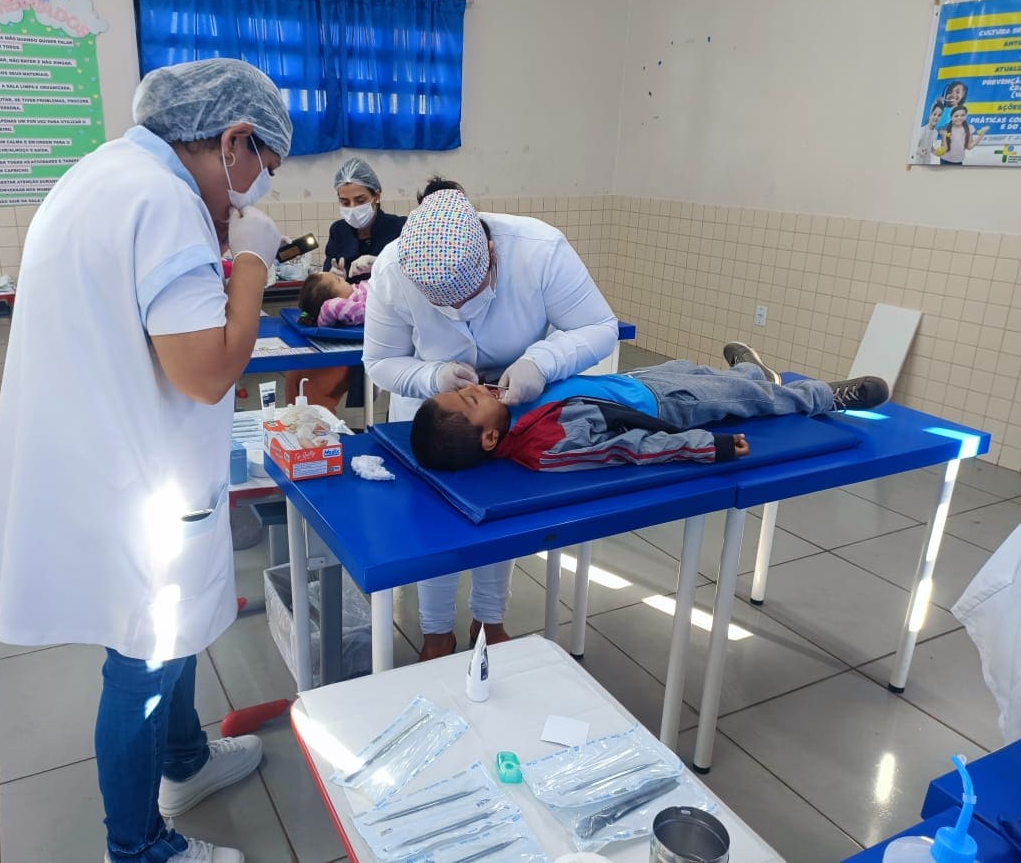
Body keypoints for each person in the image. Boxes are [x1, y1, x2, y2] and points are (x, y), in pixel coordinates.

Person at [0, 58, 293, 863]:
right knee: (146, 653)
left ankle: (184, 759)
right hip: (136, 480)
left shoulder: (102, 174)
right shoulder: (163, 204)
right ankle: (139, 846)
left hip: (103, 459)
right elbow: (206, 369)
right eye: (266, 166)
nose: (259, 189)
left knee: (168, 628)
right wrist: (254, 262)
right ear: (234, 140)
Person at [363, 181, 619, 660]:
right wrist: (432, 375)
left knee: (498, 517)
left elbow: (599, 327)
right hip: (429, 411)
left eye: (472, 298)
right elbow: (379, 362)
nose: (459, 315)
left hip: (511, 406)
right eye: (446, 308)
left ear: (492, 255)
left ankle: (489, 621)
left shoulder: (539, 251)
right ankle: (436, 631)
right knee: (432, 523)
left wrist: (542, 361)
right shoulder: (394, 269)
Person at [411, 342, 890, 471]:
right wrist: (705, 448)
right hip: (666, 409)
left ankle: (750, 371)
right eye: (473, 398)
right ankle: (825, 396)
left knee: (703, 372)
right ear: (489, 438)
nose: (481, 389)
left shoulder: (512, 402)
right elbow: (629, 448)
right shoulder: (545, 447)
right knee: (750, 401)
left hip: (637, 381)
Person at [284, 157, 405, 411]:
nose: (352, 208)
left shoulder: (399, 229)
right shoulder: (339, 231)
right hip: (341, 330)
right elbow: (326, 282)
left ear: (377, 195)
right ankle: (299, 430)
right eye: (344, 202)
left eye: (360, 201)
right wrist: (335, 272)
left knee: (322, 384)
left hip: (380, 327)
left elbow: (414, 277)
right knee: (297, 374)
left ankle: (329, 433)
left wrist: (381, 264)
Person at [297, 270, 368, 327]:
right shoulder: (346, 306)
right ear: (336, 300)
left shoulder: (353, 290)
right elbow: (328, 308)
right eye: (338, 280)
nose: (342, 278)